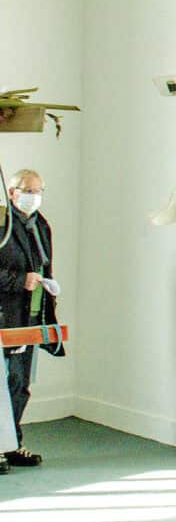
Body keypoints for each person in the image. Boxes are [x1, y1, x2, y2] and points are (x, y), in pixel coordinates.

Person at [0, 170, 63, 469]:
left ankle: (12, 443)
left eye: (39, 190)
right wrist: (18, 281)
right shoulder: (2, 224)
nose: (34, 196)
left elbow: (44, 264)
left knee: (20, 384)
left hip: (32, 316)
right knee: (3, 384)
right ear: (12, 192)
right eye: (28, 190)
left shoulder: (40, 225)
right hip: (6, 316)